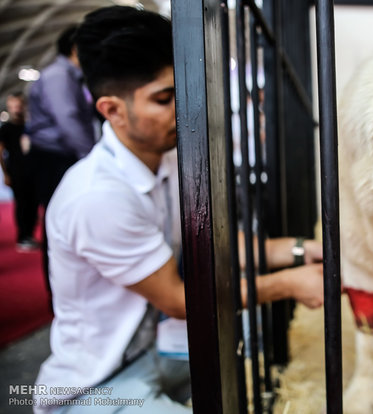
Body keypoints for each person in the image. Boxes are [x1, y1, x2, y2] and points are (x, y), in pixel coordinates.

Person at [33, 6, 324, 413]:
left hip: (152, 355)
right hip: (93, 385)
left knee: (251, 347)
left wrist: (299, 249)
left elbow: (216, 246)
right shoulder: (97, 196)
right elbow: (178, 300)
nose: (184, 109)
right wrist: (290, 284)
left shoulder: (166, 157)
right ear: (112, 110)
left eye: (184, 92)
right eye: (165, 99)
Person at [26, 25, 99, 291]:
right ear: (75, 48)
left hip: (61, 155)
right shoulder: (59, 76)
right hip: (54, 157)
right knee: (58, 219)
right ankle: (60, 290)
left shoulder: (71, 76)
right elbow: (67, 120)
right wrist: (91, 156)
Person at [0, 92, 39, 251]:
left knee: (33, 204)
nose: (17, 109)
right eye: (14, 106)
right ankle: (22, 237)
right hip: (16, 172)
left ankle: (29, 235)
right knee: (22, 204)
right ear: (9, 107)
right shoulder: (6, 129)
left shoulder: (30, 127)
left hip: (32, 171)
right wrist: (6, 174)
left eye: (19, 105)